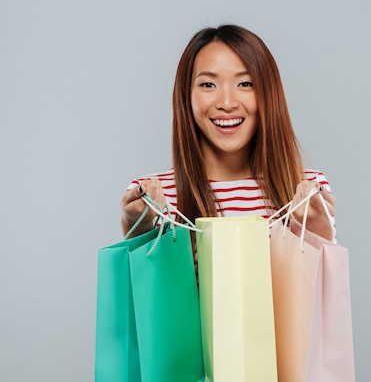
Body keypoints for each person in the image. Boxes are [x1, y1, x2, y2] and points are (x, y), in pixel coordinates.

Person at [120, 24, 336, 242]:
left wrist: (318, 230)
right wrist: (139, 230)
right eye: (208, 84)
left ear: (269, 94)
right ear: (186, 96)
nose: (226, 103)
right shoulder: (153, 197)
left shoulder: (306, 190)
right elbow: (139, 276)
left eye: (245, 83)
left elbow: (323, 276)